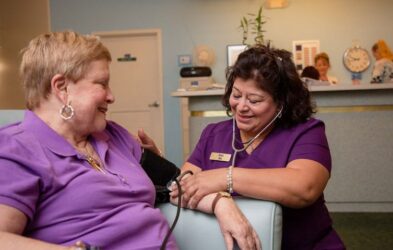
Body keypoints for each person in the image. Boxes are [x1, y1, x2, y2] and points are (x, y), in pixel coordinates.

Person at [0, 31, 178, 250]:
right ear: (62, 88)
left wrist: (221, 202)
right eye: (102, 84)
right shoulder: (16, 149)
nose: (112, 96)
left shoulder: (116, 135)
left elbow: (176, 180)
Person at [170, 45, 345, 249]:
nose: (241, 106)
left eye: (254, 100)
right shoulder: (214, 134)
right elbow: (180, 188)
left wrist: (226, 177)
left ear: (282, 103)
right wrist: (220, 203)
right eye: (236, 95)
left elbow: (304, 188)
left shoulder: (306, 132)